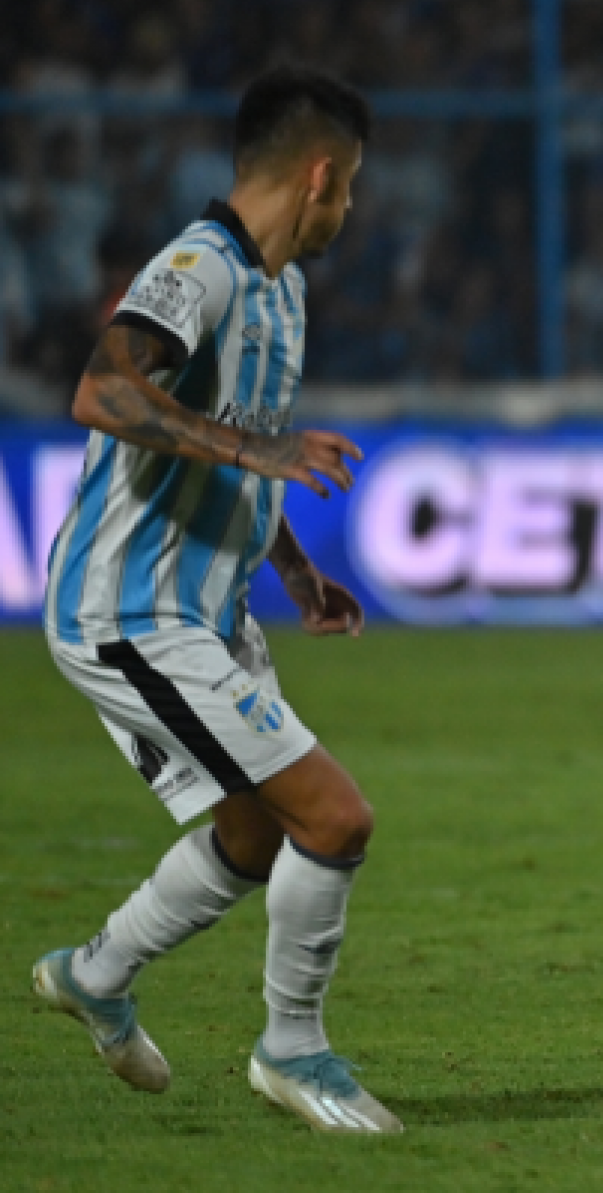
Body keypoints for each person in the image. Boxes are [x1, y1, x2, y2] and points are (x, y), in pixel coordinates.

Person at [32, 66, 400, 1133]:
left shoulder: (283, 287)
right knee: (334, 816)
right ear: (320, 175)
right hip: (131, 612)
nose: (351, 209)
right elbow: (101, 390)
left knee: (253, 833)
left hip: (210, 611)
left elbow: (238, 440)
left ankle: (95, 977)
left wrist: (290, 567)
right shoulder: (199, 269)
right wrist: (258, 447)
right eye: (352, 187)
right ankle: (295, 1050)